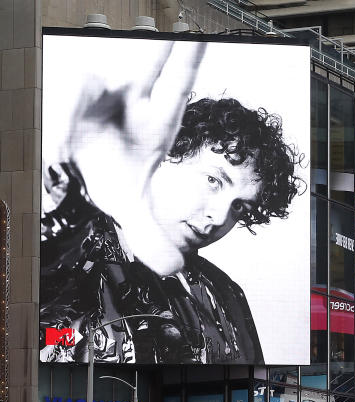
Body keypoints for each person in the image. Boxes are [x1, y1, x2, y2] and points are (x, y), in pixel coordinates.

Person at [39, 41, 304, 364]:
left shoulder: (226, 295)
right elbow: (33, 277)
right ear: (171, 154)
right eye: (213, 180)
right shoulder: (81, 248)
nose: (218, 216)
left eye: (239, 207)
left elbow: (249, 396)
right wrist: (73, 204)